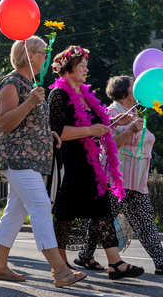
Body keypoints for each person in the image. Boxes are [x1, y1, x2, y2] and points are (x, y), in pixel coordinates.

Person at [0, 38, 87, 287]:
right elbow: (4, 123)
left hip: (30, 159)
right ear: (30, 55)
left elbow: (29, 123)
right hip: (18, 158)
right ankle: (59, 270)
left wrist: (48, 133)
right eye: (43, 52)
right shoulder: (12, 83)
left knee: (15, 212)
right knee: (41, 207)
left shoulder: (28, 83)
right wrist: (31, 102)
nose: (46, 57)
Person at [74, 76, 163, 276]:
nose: (138, 87)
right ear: (123, 90)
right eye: (133, 84)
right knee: (103, 220)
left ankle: (162, 262)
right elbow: (106, 146)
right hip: (115, 179)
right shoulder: (111, 113)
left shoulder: (136, 113)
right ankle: (86, 255)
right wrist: (129, 131)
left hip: (137, 181)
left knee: (145, 222)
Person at [47, 46, 145, 280]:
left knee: (101, 209)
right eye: (82, 65)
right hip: (68, 162)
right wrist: (91, 129)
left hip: (90, 162)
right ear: (68, 69)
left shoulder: (86, 96)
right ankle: (60, 265)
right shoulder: (58, 95)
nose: (86, 69)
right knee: (64, 214)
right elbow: (56, 131)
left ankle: (115, 263)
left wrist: (114, 120)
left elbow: (96, 126)